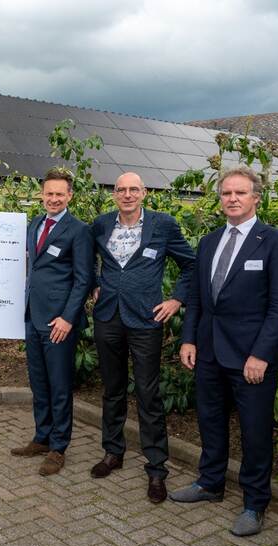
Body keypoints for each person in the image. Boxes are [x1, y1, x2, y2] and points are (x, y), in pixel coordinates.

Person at [171, 166, 278, 537]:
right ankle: (210, 483)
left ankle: (255, 503)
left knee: (255, 433)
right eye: (226, 193)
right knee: (210, 422)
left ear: (256, 198)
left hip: (250, 359)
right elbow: (198, 297)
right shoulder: (209, 241)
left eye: (240, 193)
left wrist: (261, 355)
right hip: (208, 351)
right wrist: (189, 339)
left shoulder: (274, 242)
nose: (232, 199)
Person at [89, 172, 195, 503]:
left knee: (148, 394)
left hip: (146, 319)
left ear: (144, 193)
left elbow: (191, 264)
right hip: (108, 316)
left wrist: (176, 300)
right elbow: (84, 257)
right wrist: (94, 281)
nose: (128, 194)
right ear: (114, 194)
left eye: (134, 189)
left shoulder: (163, 225)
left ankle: (156, 468)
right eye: (121, 189)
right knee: (112, 388)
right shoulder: (102, 224)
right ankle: (113, 452)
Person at [11, 167, 93, 476]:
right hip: (33, 317)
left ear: (70, 196)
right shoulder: (35, 224)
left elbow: (83, 278)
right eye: (49, 193)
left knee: (59, 386)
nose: (54, 199)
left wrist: (68, 318)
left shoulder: (78, 230)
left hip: (59, 322)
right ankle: (41, 437)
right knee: (39, 383)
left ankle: (59, 447)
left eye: (60, 194)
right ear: (42, 194)